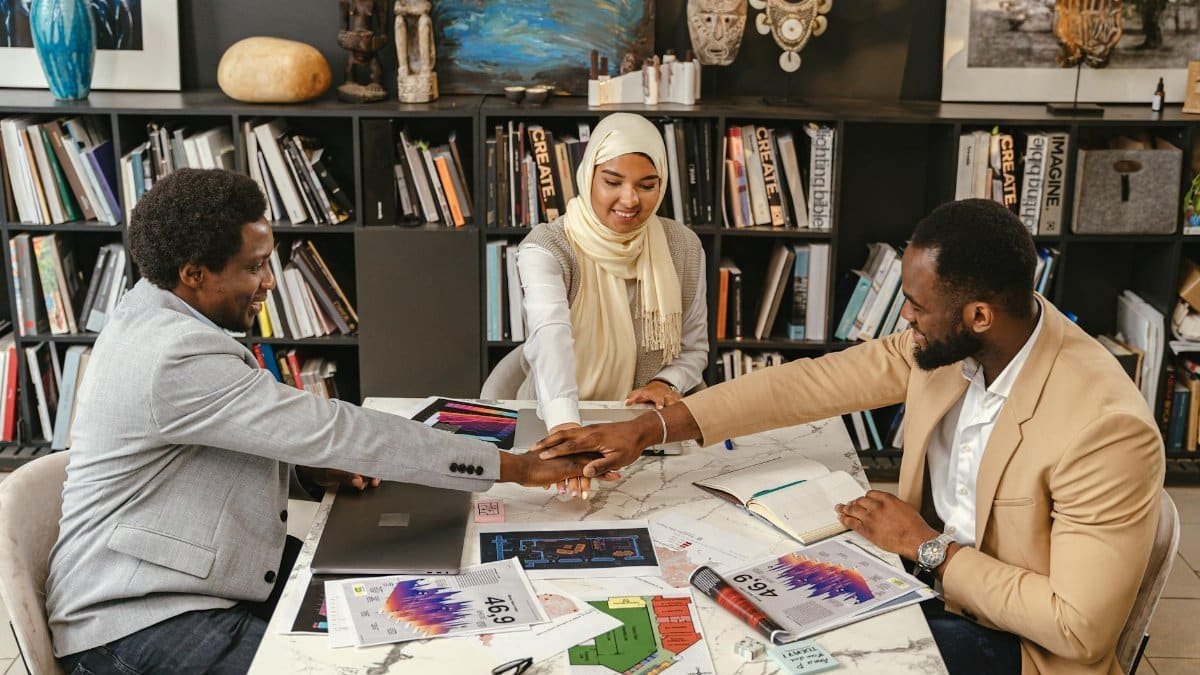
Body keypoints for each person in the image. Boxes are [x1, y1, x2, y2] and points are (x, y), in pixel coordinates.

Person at [535, 199, 1165, 675]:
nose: (904, 318)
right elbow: (807, 384)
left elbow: (1082, 630)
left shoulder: (1104, 430)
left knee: (782, 661)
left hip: (1018, 648)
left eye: (916, 305)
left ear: (978, 315)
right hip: (921, 582)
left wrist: (928, 550)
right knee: (733, 611)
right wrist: (651, 428)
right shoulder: (957, 346)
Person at [45, 169, 600, 674]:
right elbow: (336, 430)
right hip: (135, 616)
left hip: (198, 566)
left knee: (416, 612)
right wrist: (516, 468)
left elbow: (203, 450)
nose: (270, 283)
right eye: (254, 267)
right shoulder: (173, 356)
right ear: (193, 273)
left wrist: (312, 475)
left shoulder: (157, 312)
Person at [515, 113, 708, 480]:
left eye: (647, 185)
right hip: (554, 423)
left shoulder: (683, 246)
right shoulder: (546, 247)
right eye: (612, 181)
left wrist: (665, 382)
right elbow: (550, 335)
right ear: (588, 176)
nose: (630, 199)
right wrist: (565, 434)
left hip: (644, 434)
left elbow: (694, 349)